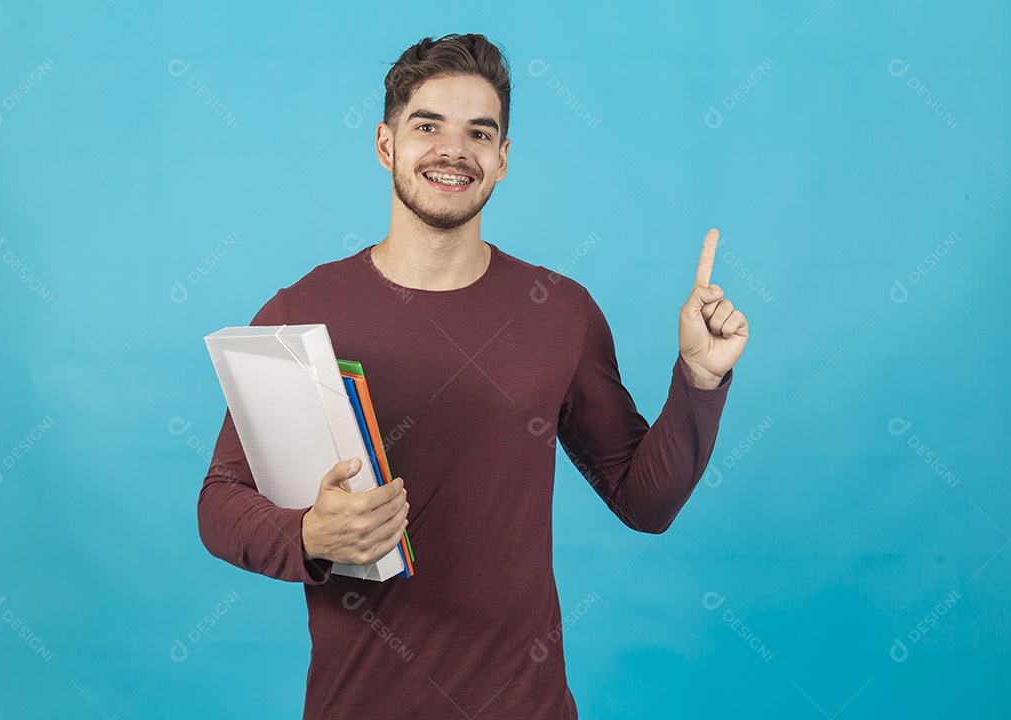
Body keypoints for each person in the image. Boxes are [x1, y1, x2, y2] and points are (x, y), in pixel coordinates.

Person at [197, 32, 748, 719]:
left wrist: (699, 381)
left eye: (479, 132)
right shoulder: (300, 312)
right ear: (385, 144)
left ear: (503, 159)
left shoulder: (560, 313)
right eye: (427, 126)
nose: (453, 150)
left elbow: (645, 501)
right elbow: (220, 500)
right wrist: (308, 536)